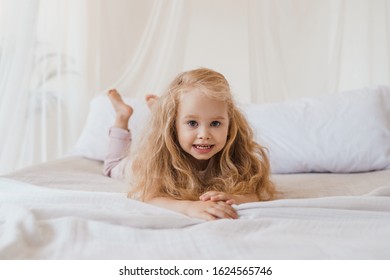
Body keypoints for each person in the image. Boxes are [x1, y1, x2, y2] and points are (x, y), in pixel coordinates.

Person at [104, 68, 275, 221]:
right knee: (112, 167)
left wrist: (234, 198)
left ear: (230, 125)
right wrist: (189, 207)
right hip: (138, 163)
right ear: (173, 125)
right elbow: (149, 197)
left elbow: (258, 193)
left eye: (215, 123)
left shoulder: (238, 156)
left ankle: (161, 112)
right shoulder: (155, 160)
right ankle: (122, 115)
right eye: (192, 123)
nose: (204, 135)